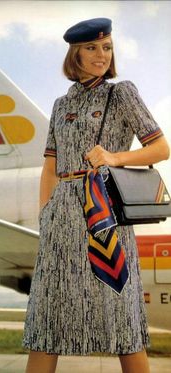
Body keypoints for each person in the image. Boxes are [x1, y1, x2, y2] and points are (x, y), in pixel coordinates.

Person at [22, 18, 170, 373]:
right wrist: (46, 216)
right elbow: (49, 169)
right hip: (61, 221)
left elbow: (160, 148)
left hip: (104, 215)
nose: (101, 55)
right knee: (49, 314)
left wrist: (115, 157)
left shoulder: (122, 93)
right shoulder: (60, 105)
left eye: (106, 47)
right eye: (91, 48)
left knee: (120, 315)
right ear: (75, 54)